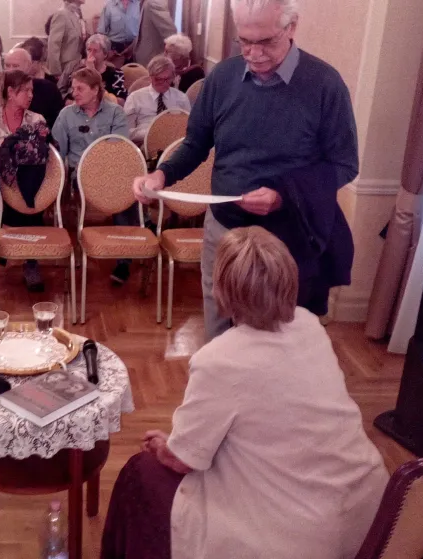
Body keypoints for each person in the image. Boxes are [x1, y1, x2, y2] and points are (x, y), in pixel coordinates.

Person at [100, 227, 388, 559]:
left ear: (222, 289)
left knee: (140, 472)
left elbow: (182, 461)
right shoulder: (310, 325)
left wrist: (165, 448)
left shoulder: (219, 360)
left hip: (299, 537)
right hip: (367, 511)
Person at [133, 0, 359, 342]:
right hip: (224, 229)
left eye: (265, 41)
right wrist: (161, 174)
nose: (253, 53)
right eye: (244, 41)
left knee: (280, 339)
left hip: (289, 238)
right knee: (220, 333)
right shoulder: (223, 78)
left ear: (291, 27)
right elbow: (195, 143)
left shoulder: (325, 84)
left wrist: (282, 196)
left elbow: (344, 164)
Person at [53, 68, 133, 285]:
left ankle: (125, 259)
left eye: (80, 89)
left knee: (124, 190)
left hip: (110, 171)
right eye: (73, 88)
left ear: (96, 89)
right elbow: (58, 153)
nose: (74, 93)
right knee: (121, 189)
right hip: (79, 176)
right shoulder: (66, 114)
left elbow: (119, 148)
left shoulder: (115, 113)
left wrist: (102, 170)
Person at [0, 69, 49, 292]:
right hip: (0, 185)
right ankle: (28, 260)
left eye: (32, 90)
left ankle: (27, 258)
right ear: (10, 92)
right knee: (23, 197)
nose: (31, 95)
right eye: (25, 90)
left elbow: (41, 157)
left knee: (30, 188)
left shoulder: (37, 120)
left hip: (30, 186)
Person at [124, 55, 189, 145]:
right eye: (158, 79)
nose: (163, 83)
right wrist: (152, 133)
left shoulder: (181, 98)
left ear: (173, 76)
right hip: (145, 142)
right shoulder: (135, 98)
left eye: (167, 79)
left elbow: (189, 127)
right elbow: (126, 131)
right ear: (150, 77)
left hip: (174, 143)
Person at [2, 47, 63, 129]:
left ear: (29, 66)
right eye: (7, 65)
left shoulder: (48, 89)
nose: (10, 70)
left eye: (15, 66)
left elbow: (57, 123)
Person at [58, 34, 126, 102]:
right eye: (89, 50)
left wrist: (92, 72)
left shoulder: (116, 74)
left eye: (95, 51)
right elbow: (59, 90)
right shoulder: (73, 67)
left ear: (105, 54)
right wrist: (67, 101)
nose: (91, 54)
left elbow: (121, 101)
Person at [129, 0, 176, 66]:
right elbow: (145, 31)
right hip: (143, 61)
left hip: (152, 63)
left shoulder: (154, 2)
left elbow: (170, 34)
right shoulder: (145, 2)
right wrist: (131, 48)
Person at [47, 0, 87, 78]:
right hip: (64, 69)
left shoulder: (77, 14)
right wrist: (56, 72)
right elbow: (53, 45)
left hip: (76, 67)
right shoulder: (61, 14)